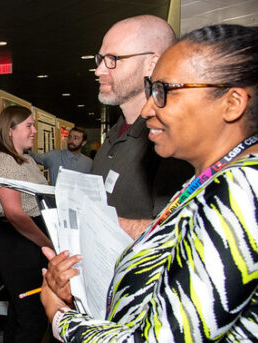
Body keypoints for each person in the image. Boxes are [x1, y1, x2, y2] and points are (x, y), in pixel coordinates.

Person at [41, 24, 258, 342]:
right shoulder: (217, 178)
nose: (149, 108)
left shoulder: (245, 187)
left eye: (164, 93)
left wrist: (60, 318)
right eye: (150, 92)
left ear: (232, 103)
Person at [91, 15, 194, 238]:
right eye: (100, 58)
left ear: (152, 64)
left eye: (113, 59)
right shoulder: (113, 135)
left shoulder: (171, 142)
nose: (100, 70)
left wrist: (100, 224)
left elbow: (179, 233)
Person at [0, 105, 52, 342]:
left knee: (20, 315)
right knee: (32, 318)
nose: (34, 131)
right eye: (28, 126)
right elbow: (15, 214)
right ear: (10, 130)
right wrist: (47, 243)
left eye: (34, 125)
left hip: (29, 243)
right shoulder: (3, 162)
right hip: (17, 245)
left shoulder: (27, 161)